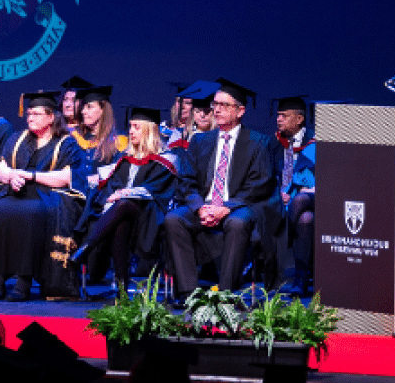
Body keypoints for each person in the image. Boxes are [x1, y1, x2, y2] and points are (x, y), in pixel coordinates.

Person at [0, 89, 87, 301]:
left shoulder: (66, 143)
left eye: (37, 114)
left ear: (51, 117)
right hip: (13, 191)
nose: (30, 118)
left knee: (31, 214)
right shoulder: (17, 138)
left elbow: (67, 177)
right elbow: (1, 167)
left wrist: (30, 175)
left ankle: (23, 282)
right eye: (29, 113)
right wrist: (11, 175)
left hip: (46, 195)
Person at [162, 79, 273, 298]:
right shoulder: (202, 141)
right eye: (216, 104)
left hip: (239, 205)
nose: (217, 109)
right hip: (205, 205)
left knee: (238, 222)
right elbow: (186, 180)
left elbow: (259, 184)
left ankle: (225, 294)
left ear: (240, 111)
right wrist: (200, 208)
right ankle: (188, 292)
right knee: (174, 219)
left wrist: (225, 207)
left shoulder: (258, 142)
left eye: (224, 105)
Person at [75, 107, 185, 298]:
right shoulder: (125, 159)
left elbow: (157, 191)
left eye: (136, 127)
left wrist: (126, 193)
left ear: (149, 130)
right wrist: (117, 195)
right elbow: (110, 187)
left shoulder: (166, 161)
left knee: (124, 204)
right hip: (122, 215)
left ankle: (88, 247)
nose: (131, 131)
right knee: (121, 219)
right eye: (130, 126)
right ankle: (122, 288)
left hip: (151, 216)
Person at [269, 95, 319, 296]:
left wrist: (300, 191)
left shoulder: (316, 142)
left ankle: (283, 236)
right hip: (286, 204)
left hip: (312, 198)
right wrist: (277, 194)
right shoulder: (273, 143)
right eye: (278, 115)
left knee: (299, 200)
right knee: (306, 220)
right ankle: (300, 279)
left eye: (284, 116)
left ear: (299, 119)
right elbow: (264, 175)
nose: (278, 119)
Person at [68, 85, 127, 185]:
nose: (83, 111)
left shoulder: (118, 142)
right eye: (83, 107)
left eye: (89, 107)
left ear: (103, 110)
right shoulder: (75, 138)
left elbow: (119, 177)